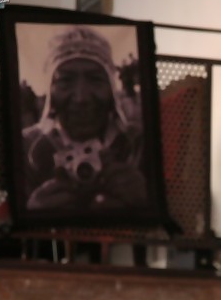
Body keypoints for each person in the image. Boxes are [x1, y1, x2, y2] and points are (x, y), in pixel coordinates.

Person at [22, 26, 147, 210]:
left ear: (111, 89)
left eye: (95, 80)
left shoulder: (139, 145)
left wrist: (146, 201)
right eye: (66, 81)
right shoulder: (26, 148)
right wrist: (32, 213)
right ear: (50, 90)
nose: (81, 98)